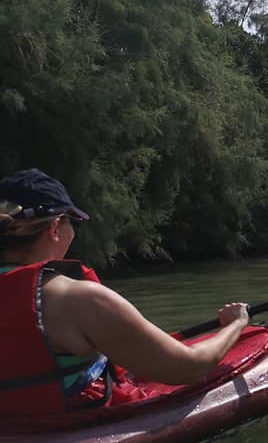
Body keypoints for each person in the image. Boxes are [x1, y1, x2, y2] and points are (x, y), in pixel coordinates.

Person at [0, 168, 250, 416]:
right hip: (74, 427)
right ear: (55, 228)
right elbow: (191, 368)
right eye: (72, 223)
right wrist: (235, 324)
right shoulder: (80, 300)